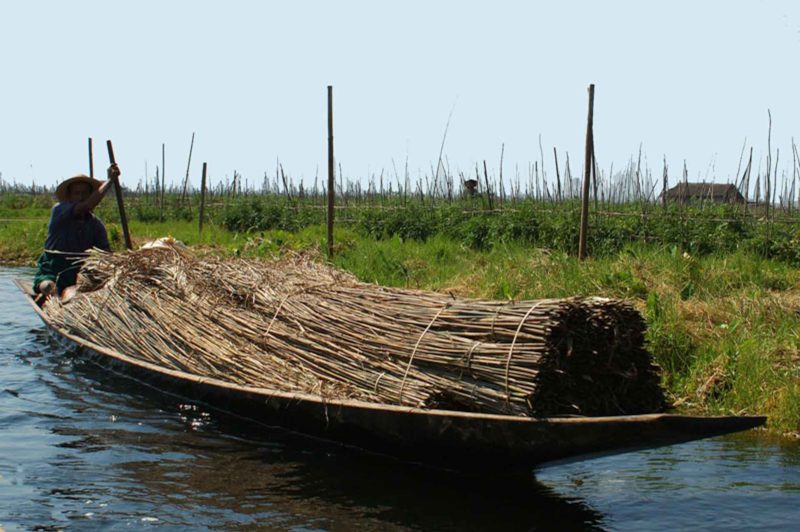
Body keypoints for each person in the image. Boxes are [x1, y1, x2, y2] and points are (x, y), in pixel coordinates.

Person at [33, 164, 120, 300]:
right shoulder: (59, 210)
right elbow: (86, 206)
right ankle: (53, 300)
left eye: (85, 194)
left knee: (78, 290)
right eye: (77, 194)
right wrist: (110, 181)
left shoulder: (96, 225)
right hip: (53, 267)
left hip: (79, 272)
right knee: (47, 285)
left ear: (90, 195)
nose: (80, 197)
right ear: (70, 196)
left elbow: (106, 253)